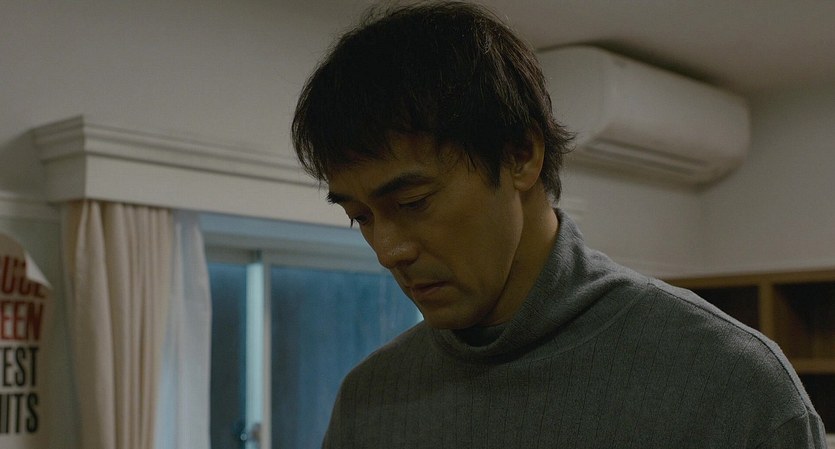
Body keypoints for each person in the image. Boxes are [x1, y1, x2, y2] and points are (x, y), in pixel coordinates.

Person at [291, 1, 827, 447]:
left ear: (520, 155)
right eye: (360, 217)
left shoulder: (727, 382)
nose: (388, 251)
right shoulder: (370, 398)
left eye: (413, 202)